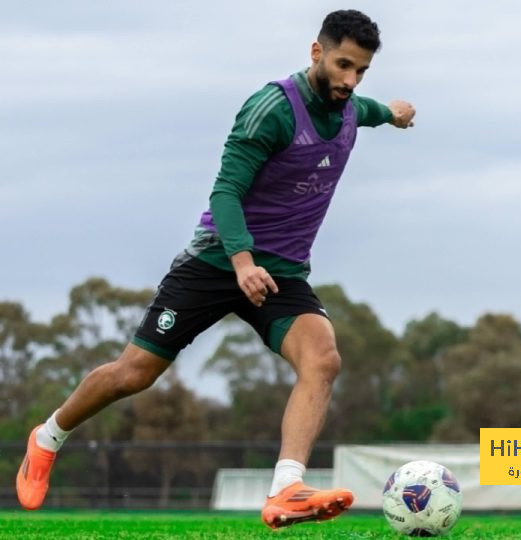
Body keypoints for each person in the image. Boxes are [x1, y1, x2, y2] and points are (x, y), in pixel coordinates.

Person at [16, 9, 415, 529]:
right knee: (133, 374)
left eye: (360, 71)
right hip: (216, 260)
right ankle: (47, 437)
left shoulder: (348, 105)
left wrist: (393, 113)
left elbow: (366, 108)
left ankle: (286, 489)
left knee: (323, 359)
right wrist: (241, 261)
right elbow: (225, 191)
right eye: (342, 65)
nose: (349, 80)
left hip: (283, 272)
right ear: (316, 52)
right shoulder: (270, 109)